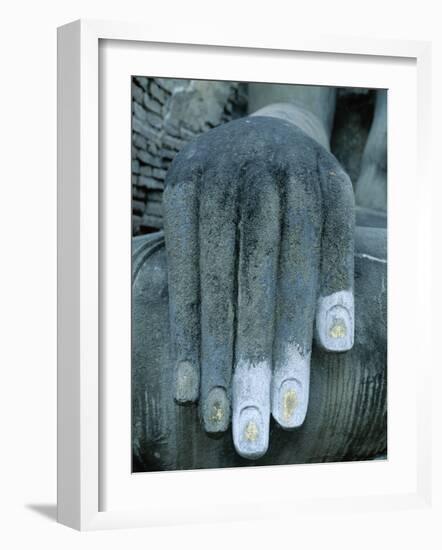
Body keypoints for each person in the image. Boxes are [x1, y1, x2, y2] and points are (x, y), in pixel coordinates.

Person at [132, 84, 387, 470]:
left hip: (403, 259)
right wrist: (273, 133)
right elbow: (293, 103)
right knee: (132, 315)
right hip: (327, 222)